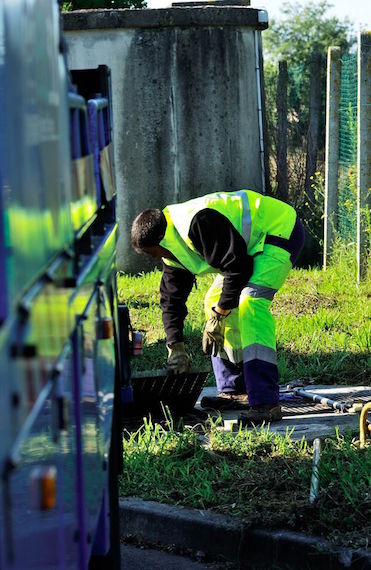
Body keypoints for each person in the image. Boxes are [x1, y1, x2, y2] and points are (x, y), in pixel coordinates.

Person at [130, 189, 305, 425]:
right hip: (246, 248)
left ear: (158, 241)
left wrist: (220, 315)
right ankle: (234, 389)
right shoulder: (170, 247)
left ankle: (266, 401)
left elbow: (238, 267)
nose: (153, 258)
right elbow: (171, 300)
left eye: (151, 253)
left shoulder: (199, 224)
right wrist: (175, 346)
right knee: (213, 301)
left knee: (250, 302)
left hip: (278, 230)